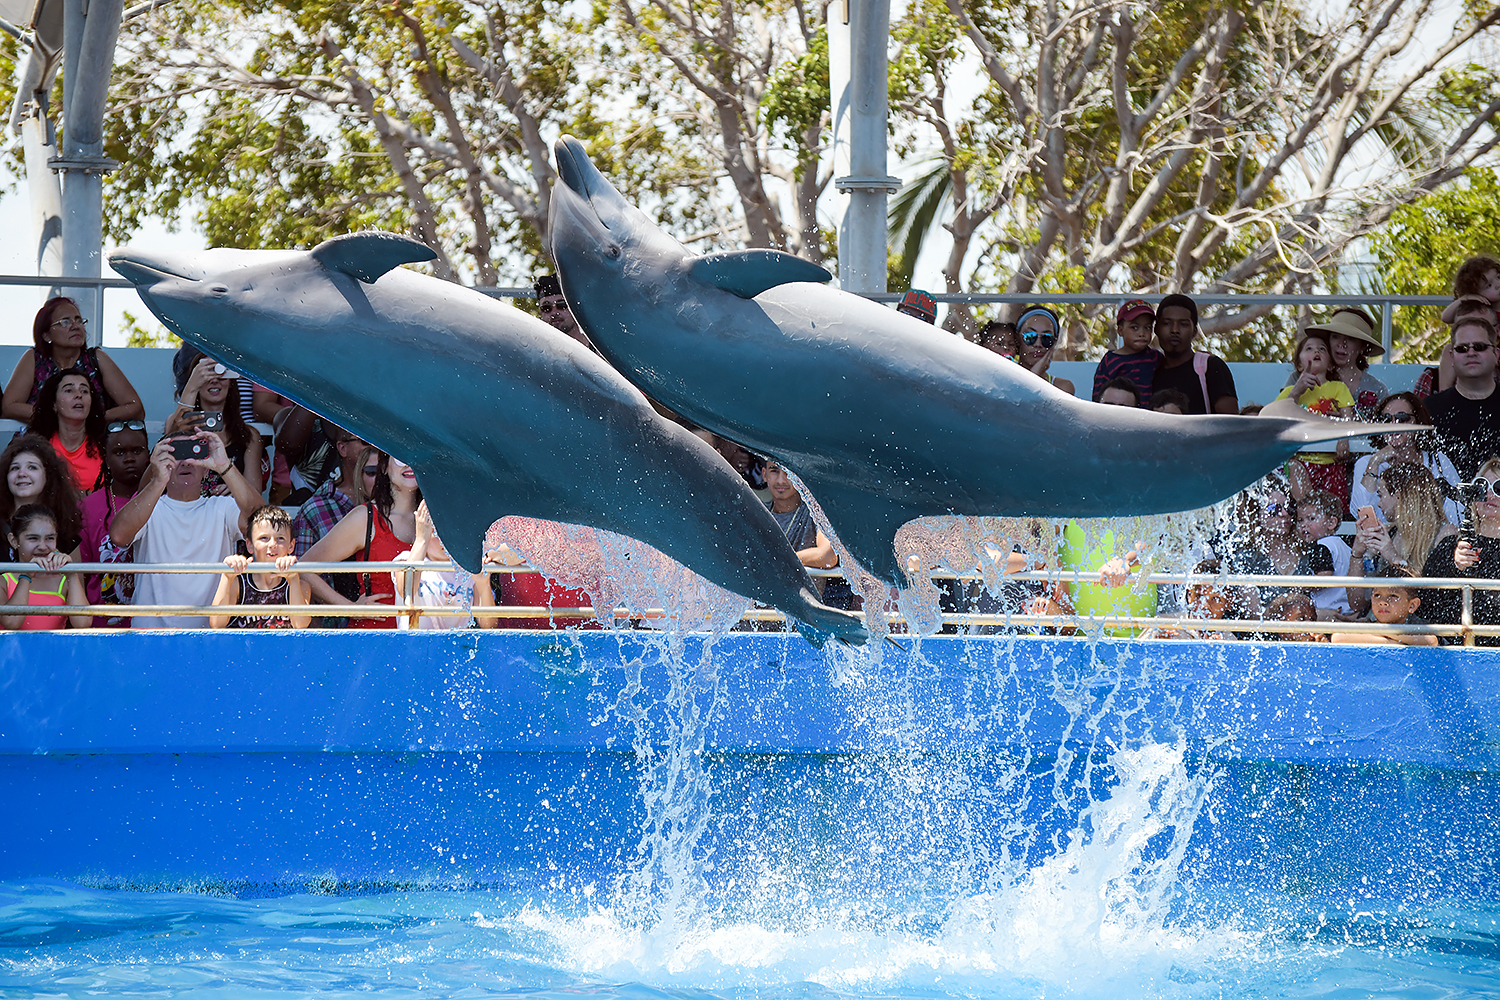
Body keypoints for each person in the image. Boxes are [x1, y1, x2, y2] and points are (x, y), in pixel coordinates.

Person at [108, 433, 263, 629]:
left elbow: (261, 522)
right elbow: (119, 536)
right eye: (176, 454)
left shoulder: (222, 508)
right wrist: (158, 480)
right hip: (150, 635)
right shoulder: (149, 509)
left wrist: (224, 466)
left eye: (194, 454)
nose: (186, 462)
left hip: (210, 634)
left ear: (206, 470)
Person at [301, 453, 422, 629]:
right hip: (373, 641)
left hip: (426, 640)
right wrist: (350, 608)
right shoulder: (365, 517)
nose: (409, 464)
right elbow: (304, 568)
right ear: (384, 466)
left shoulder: (439, 521)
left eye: (416, 458)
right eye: (400, 457)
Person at [1, 297, 144, 424]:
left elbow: (135, 407)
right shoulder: (34, 358)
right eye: (65, 322)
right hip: (41, 444)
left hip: (91, 445)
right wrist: (59, 415)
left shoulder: (96, 358)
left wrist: (92, 418)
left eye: (79, 320)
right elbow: (9, 406)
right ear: (46, 335)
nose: (76, 326)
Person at [1347, 464, 1456, 614]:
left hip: (1421, 631)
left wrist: (1392, 556)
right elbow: (1357, 603)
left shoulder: (1445, 534)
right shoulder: (1389, 532)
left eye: (1381, 495)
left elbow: (1434, 600)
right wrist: (1357, 554)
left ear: (1398, 496)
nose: (1379, 503)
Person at [1350, 393, 1462, 528]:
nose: (1393, 424)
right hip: (1382, 542)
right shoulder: (1368, 463)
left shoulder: (1438, 460)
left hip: (1430, 542)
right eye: (1386, 420)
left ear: (1418, 423)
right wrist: (1375, 462)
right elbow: (1361, 515)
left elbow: (1458, 511)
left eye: (1402, 418)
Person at [1421, 455, 1500, 644]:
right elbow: (1425, 603)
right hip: (1459, 650)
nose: (1489, 495)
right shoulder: (1452, 545)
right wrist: (1453, 567)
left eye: (1498, 488)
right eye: (1481, 487)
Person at [77, 420, 150, 622]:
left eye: (137, 451)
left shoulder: (164, 502)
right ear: (106, 459)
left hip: (152, 620)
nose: (129, 458)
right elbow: (79, 574)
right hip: (100, 621)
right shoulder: (87, 507)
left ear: (148, 456)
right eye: (119, 453)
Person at [1275, 330, 1354, 513]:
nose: (1316, 351)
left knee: (1334, 510)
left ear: (1332, 365)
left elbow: (1348, 415)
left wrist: (1344, 438)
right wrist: (1297, 391)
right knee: (1307, 509)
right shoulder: (1290, 392)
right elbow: (1275, 417)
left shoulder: (1338, 387)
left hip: (1332, 462)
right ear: (1299, 365)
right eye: (1309, 349)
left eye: (1322, 349)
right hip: (1301, 461)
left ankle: (1331, 540)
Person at [166, 351, 266, 495]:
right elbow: (171, 445)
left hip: (229, 512)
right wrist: (192, 386)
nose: (214, 380)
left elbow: (255, 493)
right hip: (188, 510)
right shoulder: (177, 422)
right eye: (206, 375)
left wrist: (235, 488)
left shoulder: (249, 435)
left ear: (231, 382)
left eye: (221, 373)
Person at [390, 502, 497, 629]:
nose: (444, 538)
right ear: (424, 528)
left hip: (456, 647)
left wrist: (483, 585)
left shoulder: (469, 568)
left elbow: (489, 626)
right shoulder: (407, 559)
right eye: (437, 531)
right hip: (417, 645)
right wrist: (421, 540)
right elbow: (406, 591)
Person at [209, 505, 311, 629]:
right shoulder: (238, 584)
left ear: (291, 546)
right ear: (249, 545)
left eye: (280, 538)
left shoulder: (300, 585)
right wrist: (227, 577)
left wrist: (293, 579)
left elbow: (301, 625)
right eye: (264, 538)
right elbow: (216, 624)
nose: (273, 544)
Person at [1425, 315, 1500, 480]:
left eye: (1479, 347)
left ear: (1496, 354)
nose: (1471, 353)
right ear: (1451, 357)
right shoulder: (1428, 410)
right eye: (1462, 348)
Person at [1, 504, 90, 630]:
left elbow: (83, 624)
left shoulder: (64, 581)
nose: (42, 546)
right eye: (33, 538)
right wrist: (26, 576)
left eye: (49, 538)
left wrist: (71, 573)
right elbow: (11, 623)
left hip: (53, 650)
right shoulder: (3, 582)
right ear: (14, 541)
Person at [1149, 293, 1238, 414]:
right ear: (1156, 329)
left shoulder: (1210, 367)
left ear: (1194, 331)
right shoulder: (1149, 370)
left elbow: (1230, 424)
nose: (1175, 330)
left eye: (1183, 324)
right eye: (1167, 323)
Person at [291, 426, 371, 556]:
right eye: (366, 442)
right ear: (342, 448)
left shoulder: (395, 500)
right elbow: (301, 571)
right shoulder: (314, 510)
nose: (375, 449)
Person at [0, 434, 82, 560]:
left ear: (48, 477)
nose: (22, 473)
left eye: (32, 467)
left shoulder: (64, 525)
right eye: (15, 468)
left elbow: (76, 579)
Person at [24, 370, 108, 493]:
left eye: (84, 391)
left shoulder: (106, 443)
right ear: (54, 405)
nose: (79, 395)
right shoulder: (37, 445)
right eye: (69, 390)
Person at [1298, 308, 1387, 419]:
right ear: (1328, 340)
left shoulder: (1377, 389)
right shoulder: (1302, 377)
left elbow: (1383, 432)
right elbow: (1280, 415)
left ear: (1363, 346)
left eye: (1350, 339)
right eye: (1335, 336)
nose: (1342, 344)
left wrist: (1349, 421)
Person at [1332, 568, 1439, 646]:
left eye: (1393, 596)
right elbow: (1338, 637)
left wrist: (1389, 633)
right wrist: (1391, 642)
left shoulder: (1415, 630)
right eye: (1377, 595)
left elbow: (1432, 641)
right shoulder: (1365, 626)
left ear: (1412, 605)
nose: (1383, 602)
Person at [1296, 491, 1355, 621]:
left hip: (1329, 611)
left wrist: (1300, 586)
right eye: (1300, 520)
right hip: (1347, 608)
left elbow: (1324, 577)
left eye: (1311, 519)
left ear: (1331, 523)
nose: (1304, 524)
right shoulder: (1343, 545)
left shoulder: (1320, 547)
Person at [1091, 300, 1161, 402]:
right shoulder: (1110, 360)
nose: (1142, 333)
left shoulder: (1155, 358)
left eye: (1147, 327)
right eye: (1135, 327)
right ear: (1120, 330)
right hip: (1120, 415)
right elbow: (1099, 395)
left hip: (1149, 416)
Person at [1014, 306, 1075, 395]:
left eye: (1046, 338)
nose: (1038, 344)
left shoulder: (1062, 387)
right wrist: (1034, 376)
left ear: (1054, 343)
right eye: (1030, 337)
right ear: (1018, 339)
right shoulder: (1003, 378)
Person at [534, 274, 591, 348]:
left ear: (576, 308)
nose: (554, 312)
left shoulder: (600, 353)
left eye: (561, 305)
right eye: (546, 307)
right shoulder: (538, 352)